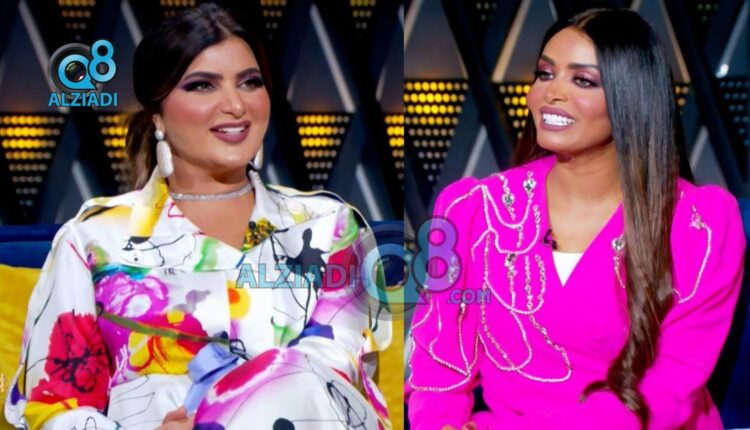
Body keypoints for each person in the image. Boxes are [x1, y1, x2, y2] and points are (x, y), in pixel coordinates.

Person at [4, 4, 391, 429]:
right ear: (157, 113)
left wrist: (221, 416)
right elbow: (52, 408)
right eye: (203, 86)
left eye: (250, 82)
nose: (236, 105)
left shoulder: (331, 227)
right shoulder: (93, 241)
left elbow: (335, 380)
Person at [406, 8, 744, 430]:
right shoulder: (471, 210)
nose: (551, 93)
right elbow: (438, 372)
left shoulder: (702, 225)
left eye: (582, 80)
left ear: (632, 95)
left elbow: (666, 395)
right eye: (545, 74)